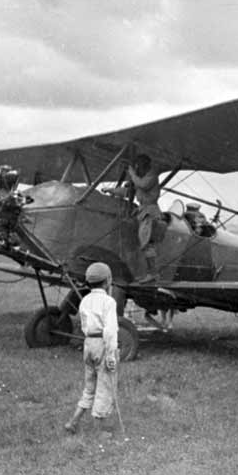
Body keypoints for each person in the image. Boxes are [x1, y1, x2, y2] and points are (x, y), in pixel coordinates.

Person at [64, 262, 120, 434]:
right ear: (107, 281)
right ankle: (100, 429)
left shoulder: (85, 301)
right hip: (102, 344)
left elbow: (85, 324)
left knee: (90, 386)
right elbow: (110, 330)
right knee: (105, 385)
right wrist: (111, 354)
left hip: (88, 344)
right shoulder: (108, 302)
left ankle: (73, 421)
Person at [129, 154, 162, 282]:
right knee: (144, 243)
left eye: (138, 165)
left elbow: (143, 185)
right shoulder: (141, 178)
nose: (137, 168)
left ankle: (153, 273)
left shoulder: (152, 175)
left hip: (150, 212)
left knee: (146, 243)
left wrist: (132, 174)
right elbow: (130, 191)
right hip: (144, 211)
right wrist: (110, 190)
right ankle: (150, 272)